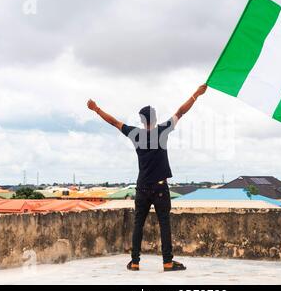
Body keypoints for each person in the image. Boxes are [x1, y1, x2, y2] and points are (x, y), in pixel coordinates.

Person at [87, 84, 207, 271]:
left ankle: (135, 262)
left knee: (138, 225)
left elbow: (113, 122)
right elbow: (181, 112)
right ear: (155, 118)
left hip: (142, 187)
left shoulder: (135, 134)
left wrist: (96, 109)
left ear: (142, 121)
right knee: (164, 224)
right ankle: (167, 262)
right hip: (160, 188)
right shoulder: (162, 130)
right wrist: (196, 95)